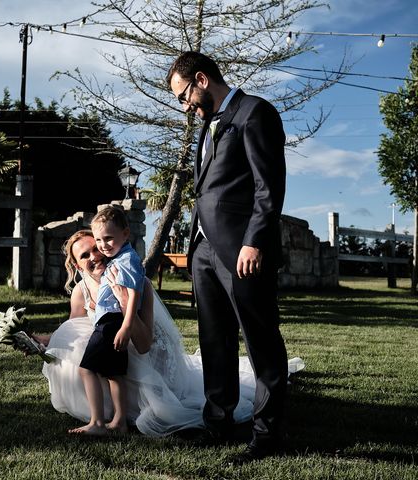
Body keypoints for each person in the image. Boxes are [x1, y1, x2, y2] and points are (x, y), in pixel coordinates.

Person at [36, 229, 304, 437]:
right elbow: (72, 330)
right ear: (76, 264)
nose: (94, 256)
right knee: (80, 353)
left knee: (159, 410)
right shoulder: (81, 291)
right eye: (84, 255)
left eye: (96, 248)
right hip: (118, 357)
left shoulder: (136, 285)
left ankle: (117, 415)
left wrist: (126, 305)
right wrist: (40, 342)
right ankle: (102, 415)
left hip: (152, 361)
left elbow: (143, 344)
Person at [166, 51, 288, 462]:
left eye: (183, 96)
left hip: (242, 251)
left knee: (261, 341)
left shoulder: (255, 113)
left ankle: (267, 437)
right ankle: (217, 423)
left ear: (201, 79)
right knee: (214, 340)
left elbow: (267, 187)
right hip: (202, 249)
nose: (184, 106)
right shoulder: (208, 124)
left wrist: (253, 241)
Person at [71, 206, 145, 435]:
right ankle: (120, 422)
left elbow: (133, 295)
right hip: (112, 321)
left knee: (86, 370)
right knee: (114, 373)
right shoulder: (119, 258)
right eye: (99, 240)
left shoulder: (128, 260)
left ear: (125, 234)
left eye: (108, 239)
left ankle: (97, 422)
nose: (103, 246)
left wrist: (125, 326)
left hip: (111, 322)